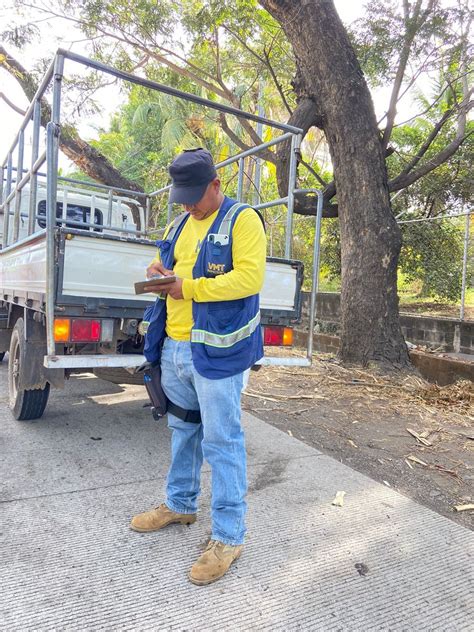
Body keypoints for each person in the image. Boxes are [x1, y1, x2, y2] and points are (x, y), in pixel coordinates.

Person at [130, 148, 266, 585]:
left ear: (216, 185)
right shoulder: (180, 222)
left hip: (218, 352)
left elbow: (249, 278)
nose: (189, 205)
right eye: (182, 197)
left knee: (223, 441)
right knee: (183, 429)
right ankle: (180, 504)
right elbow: (168, 268)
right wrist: (157, 271)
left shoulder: (241, 220)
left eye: (195, 196)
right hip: (175, 346)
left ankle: (228, 536)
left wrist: (185, 286)